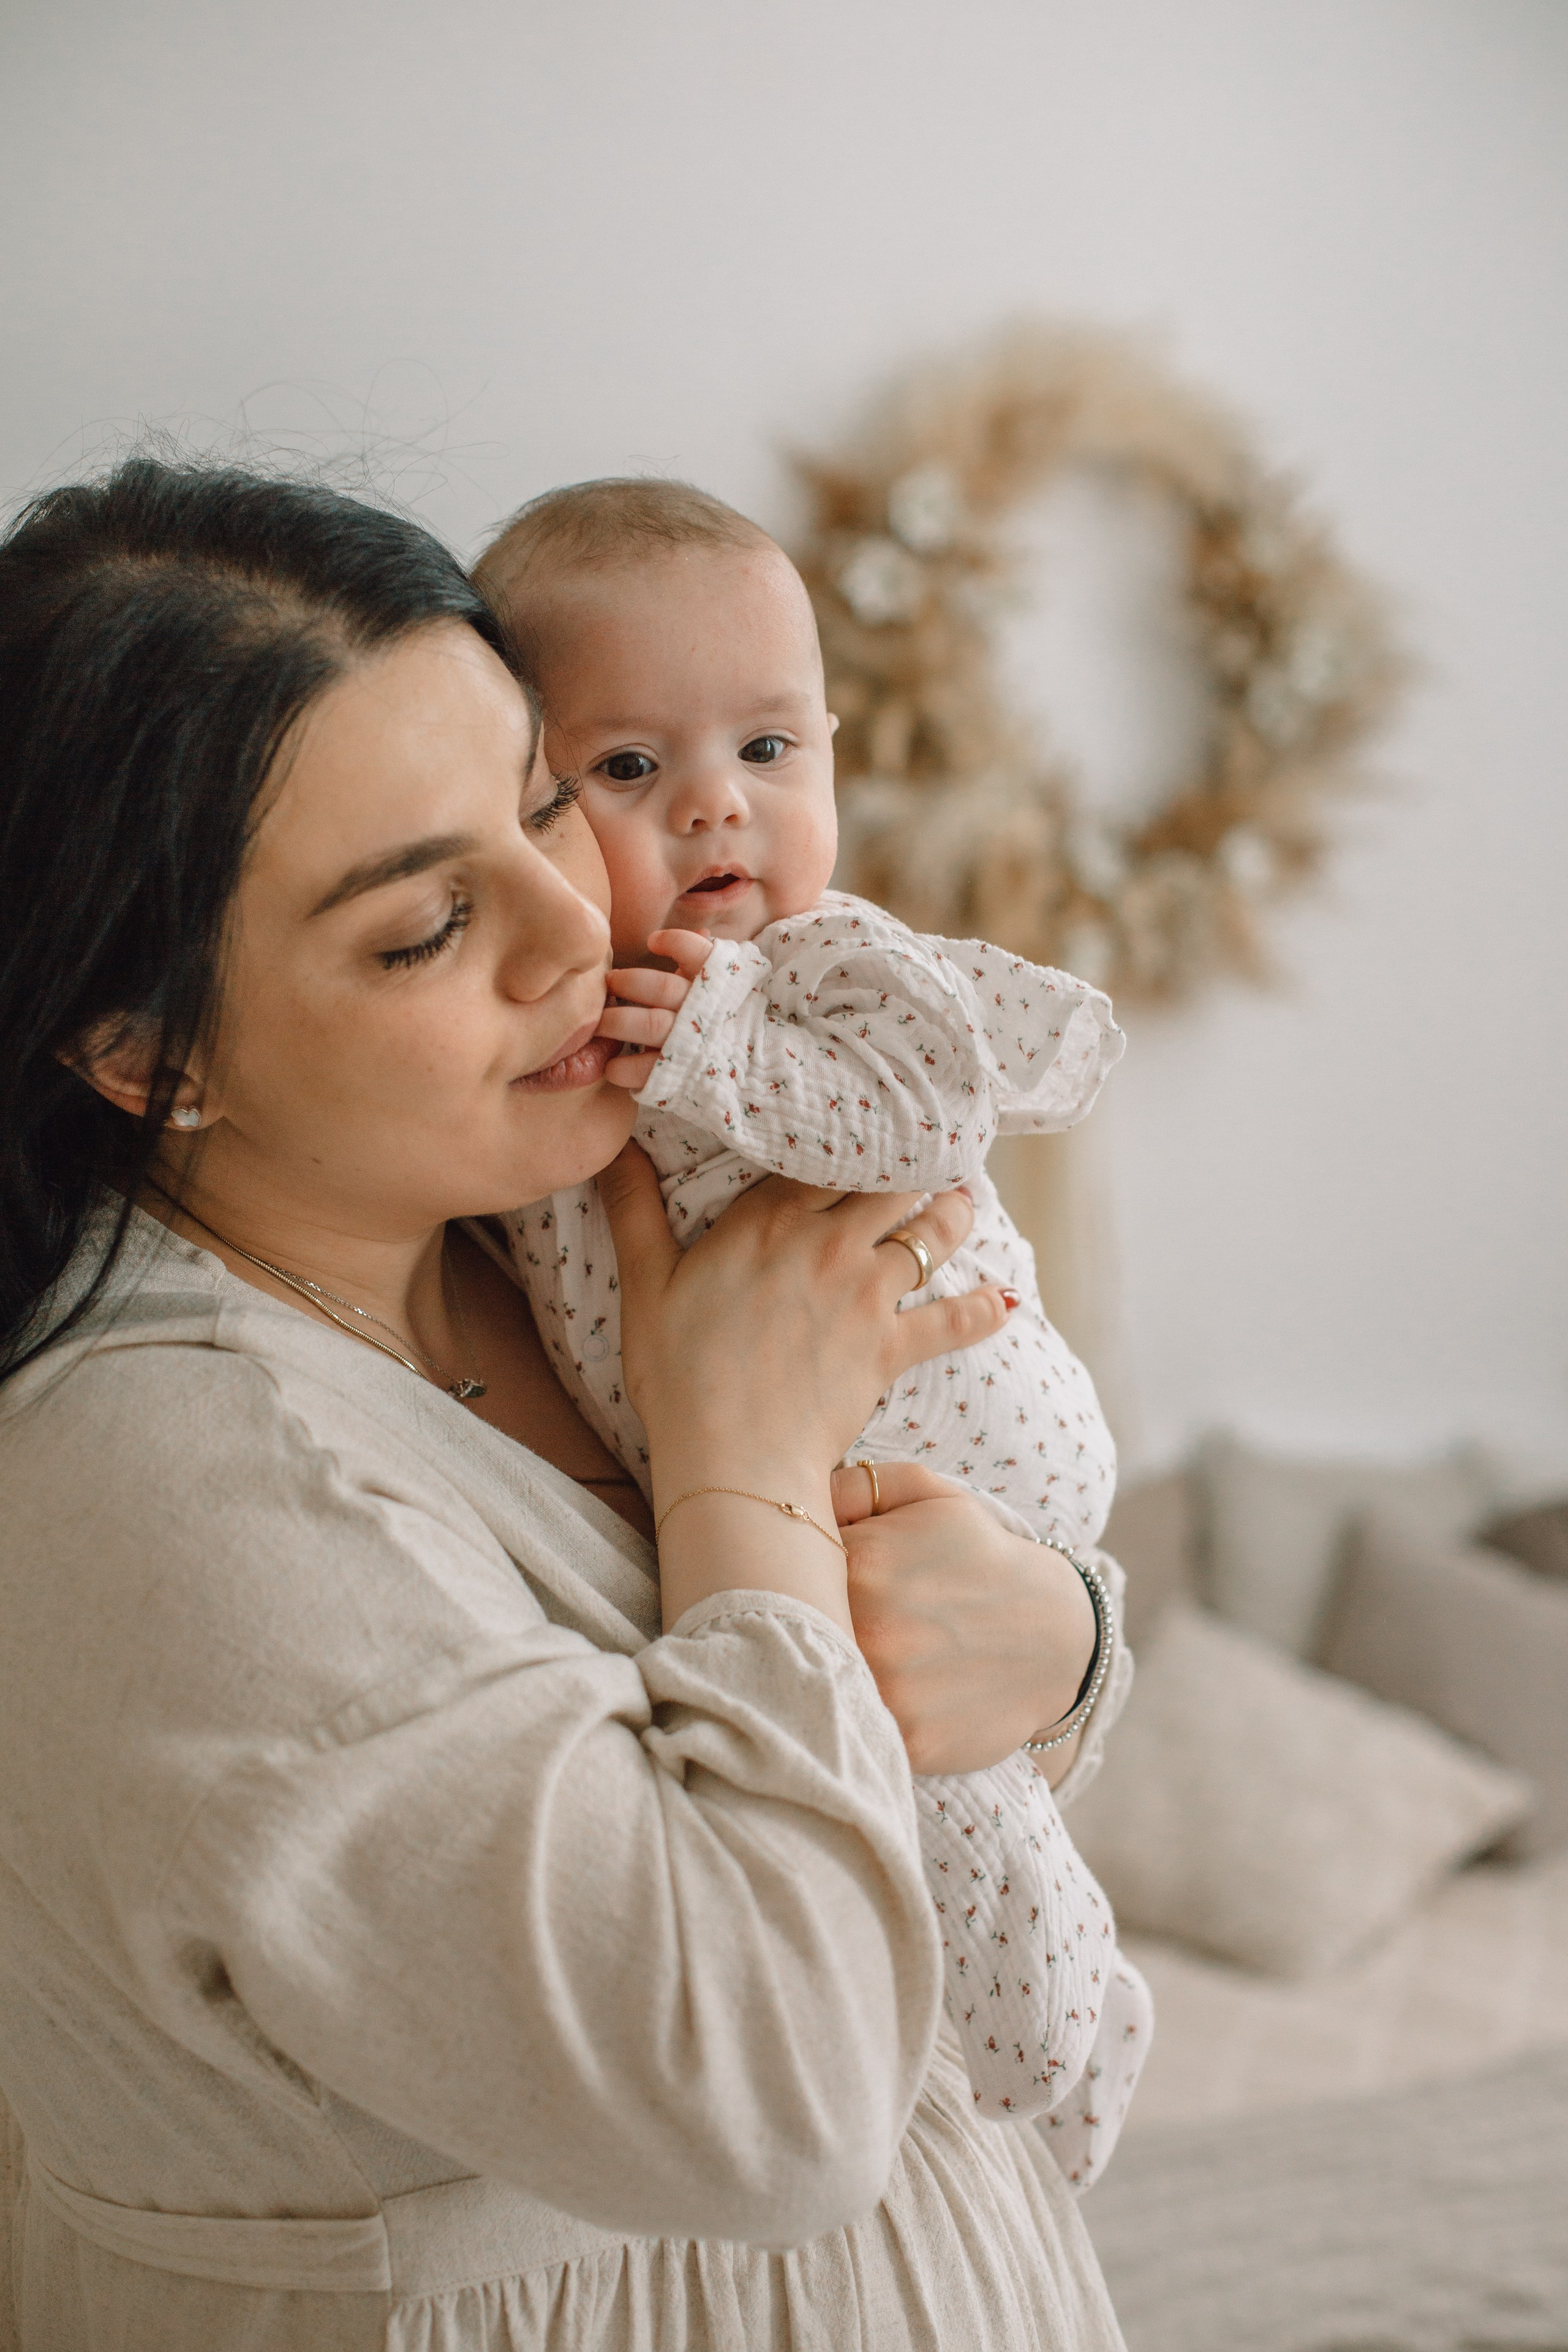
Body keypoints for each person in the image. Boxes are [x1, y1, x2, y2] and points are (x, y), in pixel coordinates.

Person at [0, 456, 1129, 2352]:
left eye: (545, 802)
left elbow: (906, 1711)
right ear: (145, 1051)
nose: (578, 926)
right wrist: (742, 1469)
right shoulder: (178, 1489)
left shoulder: (556, 1241)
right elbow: (770, 2097)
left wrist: (1064, 1646)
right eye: (422, 929)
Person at [473, 477, 1152, 2150]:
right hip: (822, 1474)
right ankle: (1035, 2068)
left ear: (833, 751)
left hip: (959, 1431)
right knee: (925, 1798)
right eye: (631, 769)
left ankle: (1074, 2054)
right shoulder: (587, 1026)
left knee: (945, 1786)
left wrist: (720, 1051)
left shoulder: (812, 968)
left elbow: (926, 1118)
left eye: (771, 753)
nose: (720, 811)